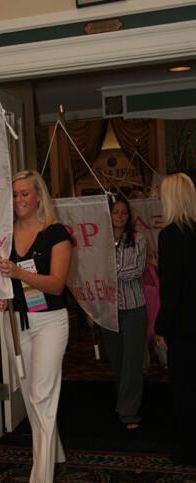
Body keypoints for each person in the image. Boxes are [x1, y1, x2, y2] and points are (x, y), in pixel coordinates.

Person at [0, 170, 72, 483]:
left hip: (51, 323)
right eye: (13, 195)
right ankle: (54, 454)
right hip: (16, 325)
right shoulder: (4, 236)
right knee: (32, 397)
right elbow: (0, 283)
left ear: (39, 196)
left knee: (41, 395)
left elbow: (56, 284)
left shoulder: (56, 233)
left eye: (24, 193)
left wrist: (20, 273)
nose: (19, 200)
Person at [154, 173, 196, 465]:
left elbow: (172, 288)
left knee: (184, 388)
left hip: (183, 326)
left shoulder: (170, 234)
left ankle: (188, 448)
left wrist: (160, 328)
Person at [97, 197, 147, 430]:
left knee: (132, 360)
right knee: (117, 359)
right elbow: (94, 273)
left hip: (134, 308)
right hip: (109, 309)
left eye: (123, 213)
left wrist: (111, 273)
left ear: (129, 216)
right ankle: (125, 398)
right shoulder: (100, 242)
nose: (119, 216)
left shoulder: (139, 239)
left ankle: (129, 411)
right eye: (115, 212)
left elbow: (136, 270)